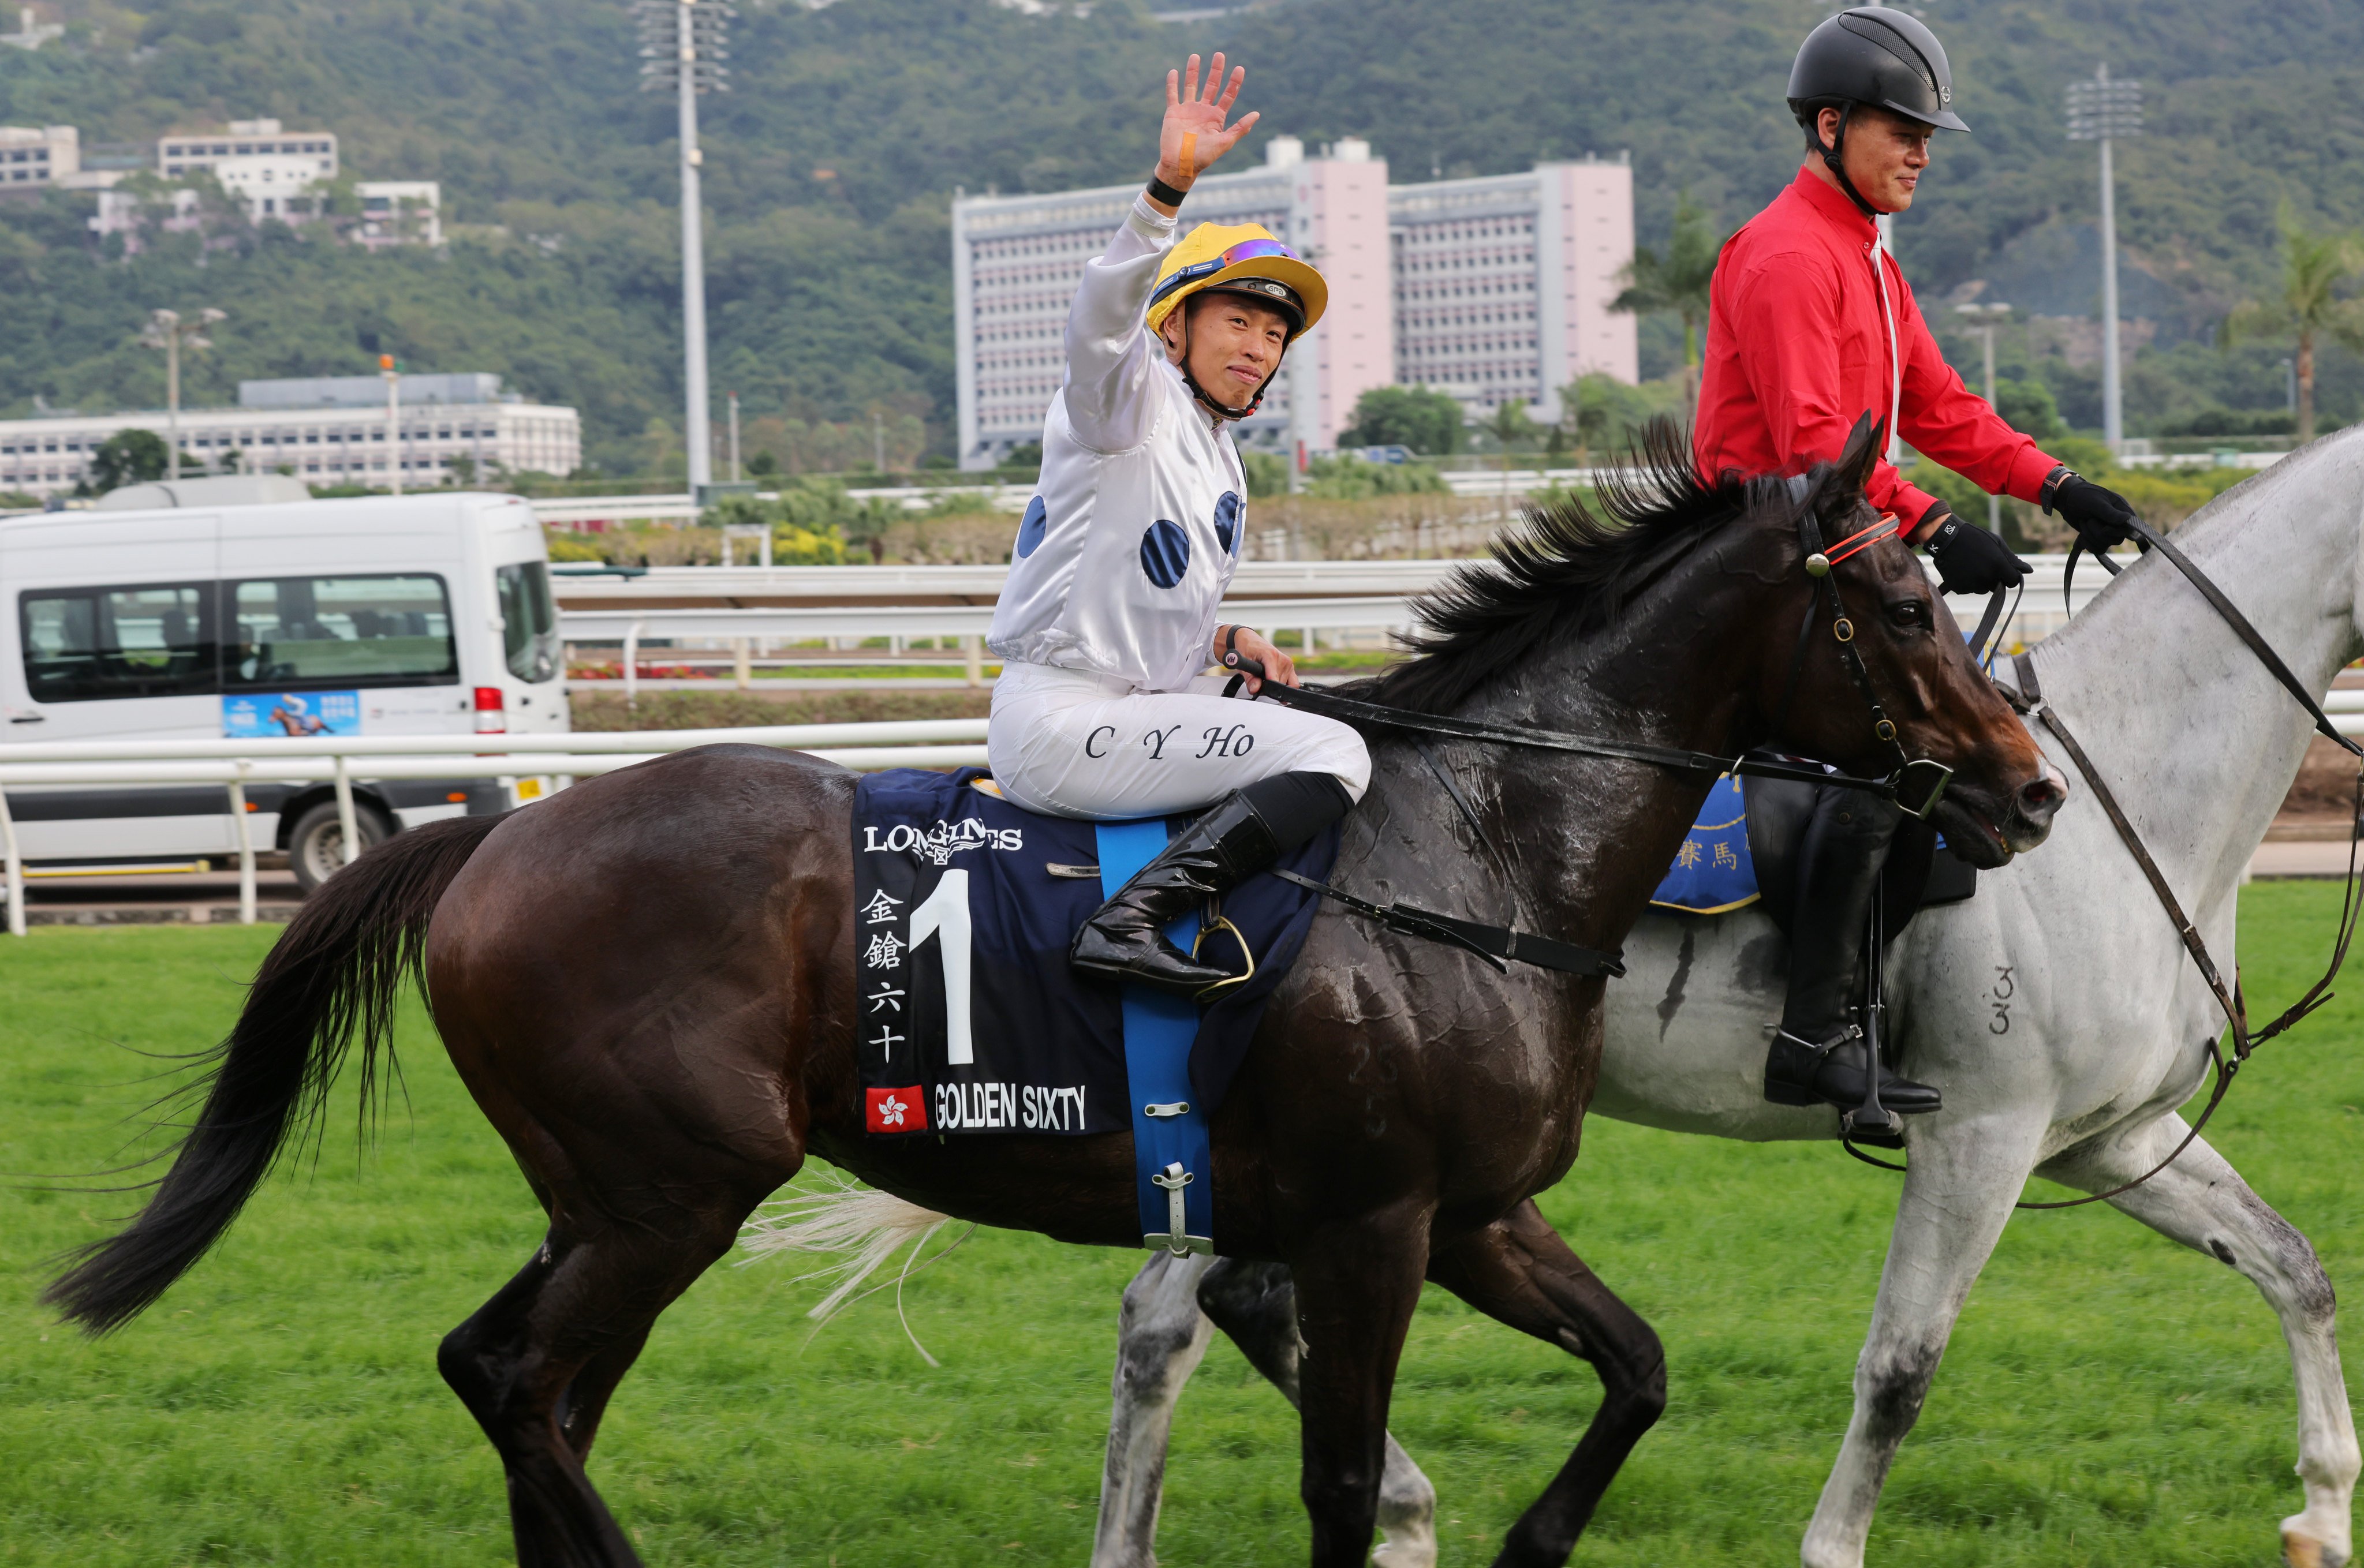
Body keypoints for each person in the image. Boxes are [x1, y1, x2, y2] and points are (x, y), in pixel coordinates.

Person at [1695, 6, 2139, 1120]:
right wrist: (1935, 528)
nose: (1923, 152)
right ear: (1832, 125)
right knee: (1911, 749)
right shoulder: (1791, 257)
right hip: (1760, 555)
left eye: (1929, 132)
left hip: (1831, 546)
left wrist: (2056, 485)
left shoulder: (1865, 257)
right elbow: (1810, 450)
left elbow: (1940, 406)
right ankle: (1812, 1035)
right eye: (1903, 129)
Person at [986, 53, 1371, 996]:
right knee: (1336, 754)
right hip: (1066, 721)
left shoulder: (1216, 447)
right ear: (1173, 327)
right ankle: (1133, 921)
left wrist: (1224, 640)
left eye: (1276, 335)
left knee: (1327, 714)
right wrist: (1168, 191)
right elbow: (1096, 321)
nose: (1259, 348)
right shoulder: (1126, 398)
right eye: (1239, 321)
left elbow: (1144, 614)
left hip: (1125, 710)